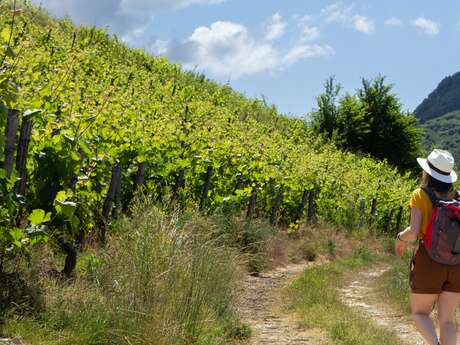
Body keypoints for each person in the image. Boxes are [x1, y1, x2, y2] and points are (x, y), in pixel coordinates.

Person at [396, 149, 460, 345]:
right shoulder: (458, 197)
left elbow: (414, 232)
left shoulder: (420, 195)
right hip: (457, 262)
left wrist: (400, 238)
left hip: (429, 260)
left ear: (427, 173)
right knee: (448, 320)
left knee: (420, 313)